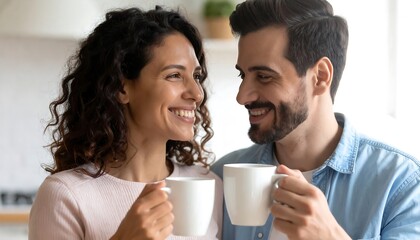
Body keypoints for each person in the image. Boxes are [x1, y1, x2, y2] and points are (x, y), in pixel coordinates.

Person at [211, 0, 420, 239]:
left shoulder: (401, 185)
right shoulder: (220, 178)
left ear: (320, 76)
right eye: (243, 75)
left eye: (264, 76)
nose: (241, 96)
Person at [29, 6, 223, 240]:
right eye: (174, 75)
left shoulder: (208, 185)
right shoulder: (65, 196)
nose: (197, 93)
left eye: (197, 77)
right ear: (122, 88)